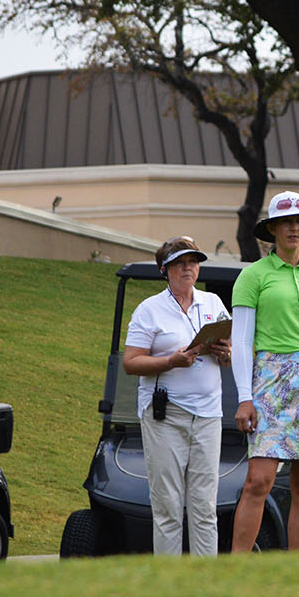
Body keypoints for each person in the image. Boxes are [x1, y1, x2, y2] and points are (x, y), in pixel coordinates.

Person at [229, 190, 299, 553]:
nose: (294, 228)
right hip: (271, 380)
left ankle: (294, 573)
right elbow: (242, 341)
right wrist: (245, 398)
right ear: (273, 229)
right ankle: (234, 569)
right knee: (258, 481)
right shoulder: (253, 275)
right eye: (286, 222)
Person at [123, 236, 232, 555]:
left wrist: (225, 353)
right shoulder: (149, 310)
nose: (188, 268)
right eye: (180, 262)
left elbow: (230, 356)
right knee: (169, 506)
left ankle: (202, 588)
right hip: (165, 416)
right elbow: (131, 362)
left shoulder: (212, 304)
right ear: (164, 269)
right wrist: (172, 360)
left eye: (193, 261)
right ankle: (169, 590)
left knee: (204, 507)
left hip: (209, 416)